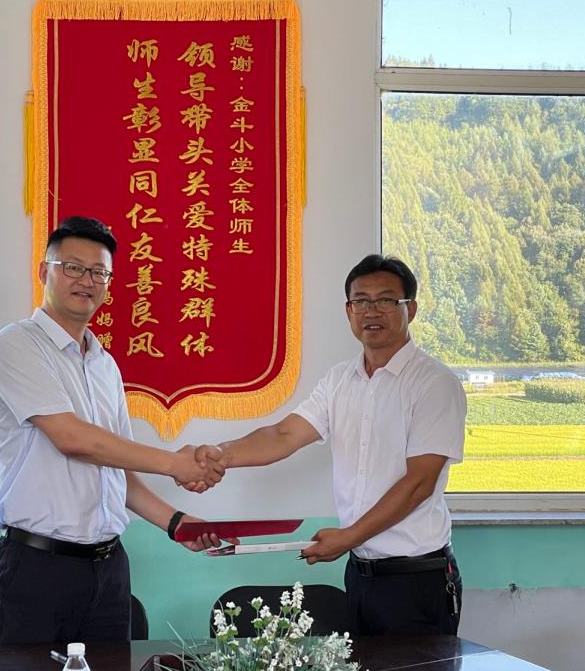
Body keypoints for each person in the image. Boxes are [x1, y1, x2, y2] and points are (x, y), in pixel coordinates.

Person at [0, 215, 226, 645]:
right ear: (44, 272)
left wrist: (176, 523)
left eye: (99, 272)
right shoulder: (16, 344)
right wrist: (175, 463)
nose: (86, 281)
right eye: (73, 267)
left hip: (110, 569)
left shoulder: (104, 364)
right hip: (37, 569)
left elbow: (115, 469)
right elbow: (73, 439)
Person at [195, 254, 466, 636]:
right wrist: (221, 455)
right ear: (348, 311)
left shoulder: (434, 383)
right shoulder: (340, 380)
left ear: (411, 309)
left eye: (386, 300)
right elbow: (285, 435)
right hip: (360, 573)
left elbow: (418, 483)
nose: (372, 311)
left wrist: (348, 537)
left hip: (416, 577)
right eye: (361, 301)